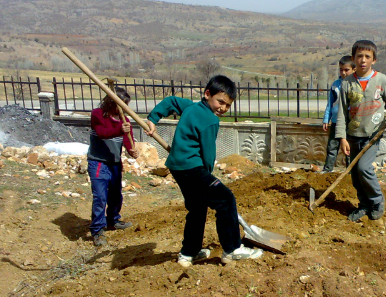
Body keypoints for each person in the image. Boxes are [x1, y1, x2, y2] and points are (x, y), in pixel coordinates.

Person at [145, 75, 262, 267]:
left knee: (198, 208)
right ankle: (233, 249)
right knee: (225, 199)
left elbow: (171, 101)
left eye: (227, 105)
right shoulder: (210, 121)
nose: (223, 108)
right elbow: (208, 154)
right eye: (220, 102)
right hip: (193, 169)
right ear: (208, 94)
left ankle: (188, 254)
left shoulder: (191, 107)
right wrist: (207, 175)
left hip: (177, 167)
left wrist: (153, 118)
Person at [335, 40, 386, 222]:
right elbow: (341, 112)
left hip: (372, 135)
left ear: (374, 60)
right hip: (352, 136)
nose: (363, 60)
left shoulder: (381, 80)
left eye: (367, 57)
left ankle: (377, 200)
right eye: (359, 56)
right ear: (354, 59)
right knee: (355, 175)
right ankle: (363, 205)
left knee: (364, 168)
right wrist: (342, 138)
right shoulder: (347, 83)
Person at [87, 87, 138, 247]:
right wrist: (119, 129)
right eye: (122, 105)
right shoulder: (97, 114)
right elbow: (102, 132)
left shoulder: (125, 121)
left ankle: (113, 220)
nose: (125, 109)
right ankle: (97, 230)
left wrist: (131, 150)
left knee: (115, 195)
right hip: (98, 162)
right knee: (100, 197)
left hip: (115, 163)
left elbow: (128, 139)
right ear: (112, 102)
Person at [321, 55, 355, 173]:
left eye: (346, 70)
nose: (343, 72)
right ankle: (327, 169)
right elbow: (330, 103)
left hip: (350, 122)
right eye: (341, 69)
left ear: (353, 70)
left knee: (349, 149)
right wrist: (326, 118)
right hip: (336, 121)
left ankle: (350, 172)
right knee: (332, 147)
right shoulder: (336, 84)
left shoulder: (355, 84)